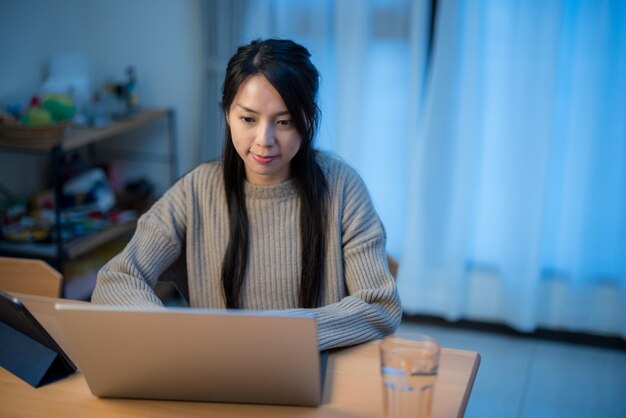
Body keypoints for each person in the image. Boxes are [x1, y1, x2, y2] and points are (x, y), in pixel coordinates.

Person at [91, 38, 401, 351]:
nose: (264, 140)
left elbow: (380, 306)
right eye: (248, 119)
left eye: (284, 121)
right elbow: (117, 279)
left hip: (316, 368)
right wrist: (173, 332)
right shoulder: (195, 191)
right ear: (227, 113)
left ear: (308, 119)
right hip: (218, 374)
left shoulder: (342, 187)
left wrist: (273, 336)